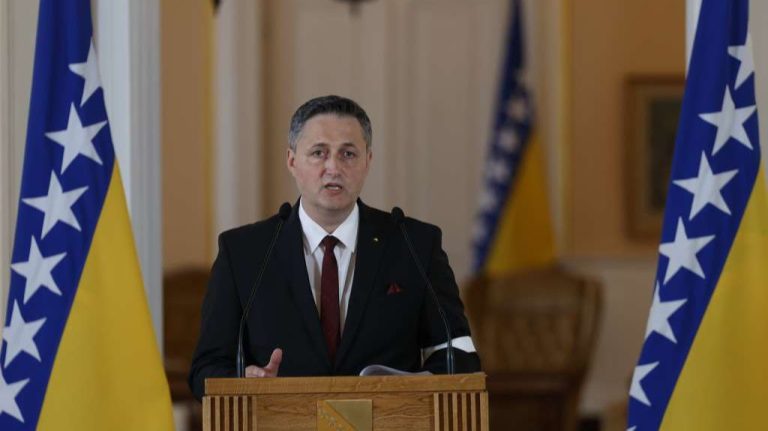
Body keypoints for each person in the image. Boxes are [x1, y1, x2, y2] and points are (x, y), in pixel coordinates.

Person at [188, 95, 480, 400]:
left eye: (348, 154)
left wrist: (411, 392)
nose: (333, 168)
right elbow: (205, 369)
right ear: (292, 161)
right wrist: (244, 381)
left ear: (368, 161)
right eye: (319, 153)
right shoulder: (244, 253)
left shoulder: (414, 245)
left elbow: (458, 353)